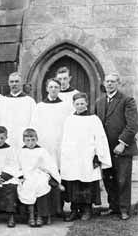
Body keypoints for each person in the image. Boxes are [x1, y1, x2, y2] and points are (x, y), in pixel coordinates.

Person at [61, 93, 111, 221]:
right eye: (77, 104)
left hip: (88, 156)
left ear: (87, 104)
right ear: (73, 105)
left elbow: (100, 138)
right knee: (73, 182)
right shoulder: (69, 119)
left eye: (82, 103)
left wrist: (97, 156)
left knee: (87, 182)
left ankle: (87, 209)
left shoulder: (93, 119)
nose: (80, 106)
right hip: (72, 157)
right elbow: (65, 139)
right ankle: (74, 209)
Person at [96, 73, 138, 221]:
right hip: (105, 149)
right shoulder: (99, 102)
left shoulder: (127, 100)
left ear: (118, 83)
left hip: (122, 148)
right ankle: (113, 207)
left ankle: (124, 209)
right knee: (108, 178)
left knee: (122, 179)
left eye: (112, 82)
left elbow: (132, 125)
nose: (109, 84)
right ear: (104, 83)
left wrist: (122, 143)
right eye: (107, 81)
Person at [17, 128, 63, 227]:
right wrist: (21, 176)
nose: (30, 143)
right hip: (27, 175)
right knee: (28, 185)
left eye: (33, 140)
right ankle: (31, 216)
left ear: (37, 139)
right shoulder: (21, 152)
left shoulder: (41, 151)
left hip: (40, 174)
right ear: (24, 141)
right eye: (28, 140)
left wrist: (55, 178)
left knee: (41, 185)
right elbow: (18, 166)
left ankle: (40, 216)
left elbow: (50, 165)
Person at [30, 78, 72, 168]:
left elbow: (70, 126)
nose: (53, 89)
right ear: (47, 89)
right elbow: (34, 126)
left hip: (60, 142)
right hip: (44, 142)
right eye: (51, 87)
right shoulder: (39, 107)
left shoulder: (66, 106)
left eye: (56, 87)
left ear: (60, 89)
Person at [0, 72, 36, 149]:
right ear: (8, 83)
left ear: (21, 83)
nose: (14, 84)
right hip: (6, 139)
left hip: (23, 139)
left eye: (16, 81)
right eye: (12, 82)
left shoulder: (30, 102)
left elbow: (34, 122)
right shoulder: (1, 101)